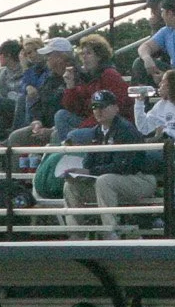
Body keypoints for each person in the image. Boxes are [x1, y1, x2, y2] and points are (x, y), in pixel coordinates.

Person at [61, 90, 156, 228]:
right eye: (95, 107)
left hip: (140, 179)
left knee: (104, 181)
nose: (98, 110)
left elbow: (122, 166)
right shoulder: (96, 132)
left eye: (103, 106)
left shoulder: (126, 130)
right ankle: (76, 234)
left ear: (115, 108)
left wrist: (90, 172)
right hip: (112, 182)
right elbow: (89, 161)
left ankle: (111, 232)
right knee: (71, 185)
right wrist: (80, 173)